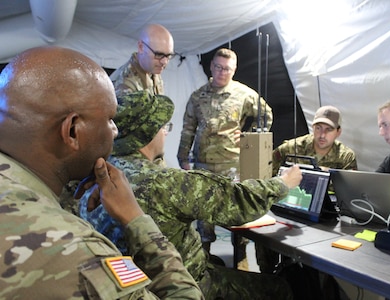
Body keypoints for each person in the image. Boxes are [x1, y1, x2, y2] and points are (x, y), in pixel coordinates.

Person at [0, 46, 203, 299]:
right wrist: (136, 219)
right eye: (109, 119)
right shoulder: (79, 252)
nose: (115, 131)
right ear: (73, 131)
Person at [78, 90, 302, 300]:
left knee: (216, 261)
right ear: (149, 133)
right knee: (279, 288)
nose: (165, 133)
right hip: (178, 284)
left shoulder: (100, 171)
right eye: (163, 127)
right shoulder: (165, 182)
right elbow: (240, 202)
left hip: (127, 284)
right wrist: (283, 183)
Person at [177, 48, 273, 270]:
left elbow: (266, 114)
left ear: (234, 69)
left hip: (233, 165)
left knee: (237, 212)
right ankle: (206, 258)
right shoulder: (198, 96)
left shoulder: (244, 94)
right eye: (218, 67)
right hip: (203, 165)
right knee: (204, 215)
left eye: (227, 69)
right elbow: (188, 128)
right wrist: (183, 157)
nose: (222, 72)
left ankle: (240, 256)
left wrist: (250, 135)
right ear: (211, 66)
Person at [257, 105, 358, 275]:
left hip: (324, 216)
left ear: (338, 132)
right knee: (264, 238)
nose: (322, 134)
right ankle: (267, 278)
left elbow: (349, 194)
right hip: (290, 207)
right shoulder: (292, 148)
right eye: (318, 128)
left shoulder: (345, 157)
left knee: (322, 260)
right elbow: (266, 169)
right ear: (312, 127)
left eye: (328, 129)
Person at [110, 23, 175, 98]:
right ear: (141, 47)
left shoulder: (153, 70)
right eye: (159, 54)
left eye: (169, 55)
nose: (164, 62)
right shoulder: (123, 83)